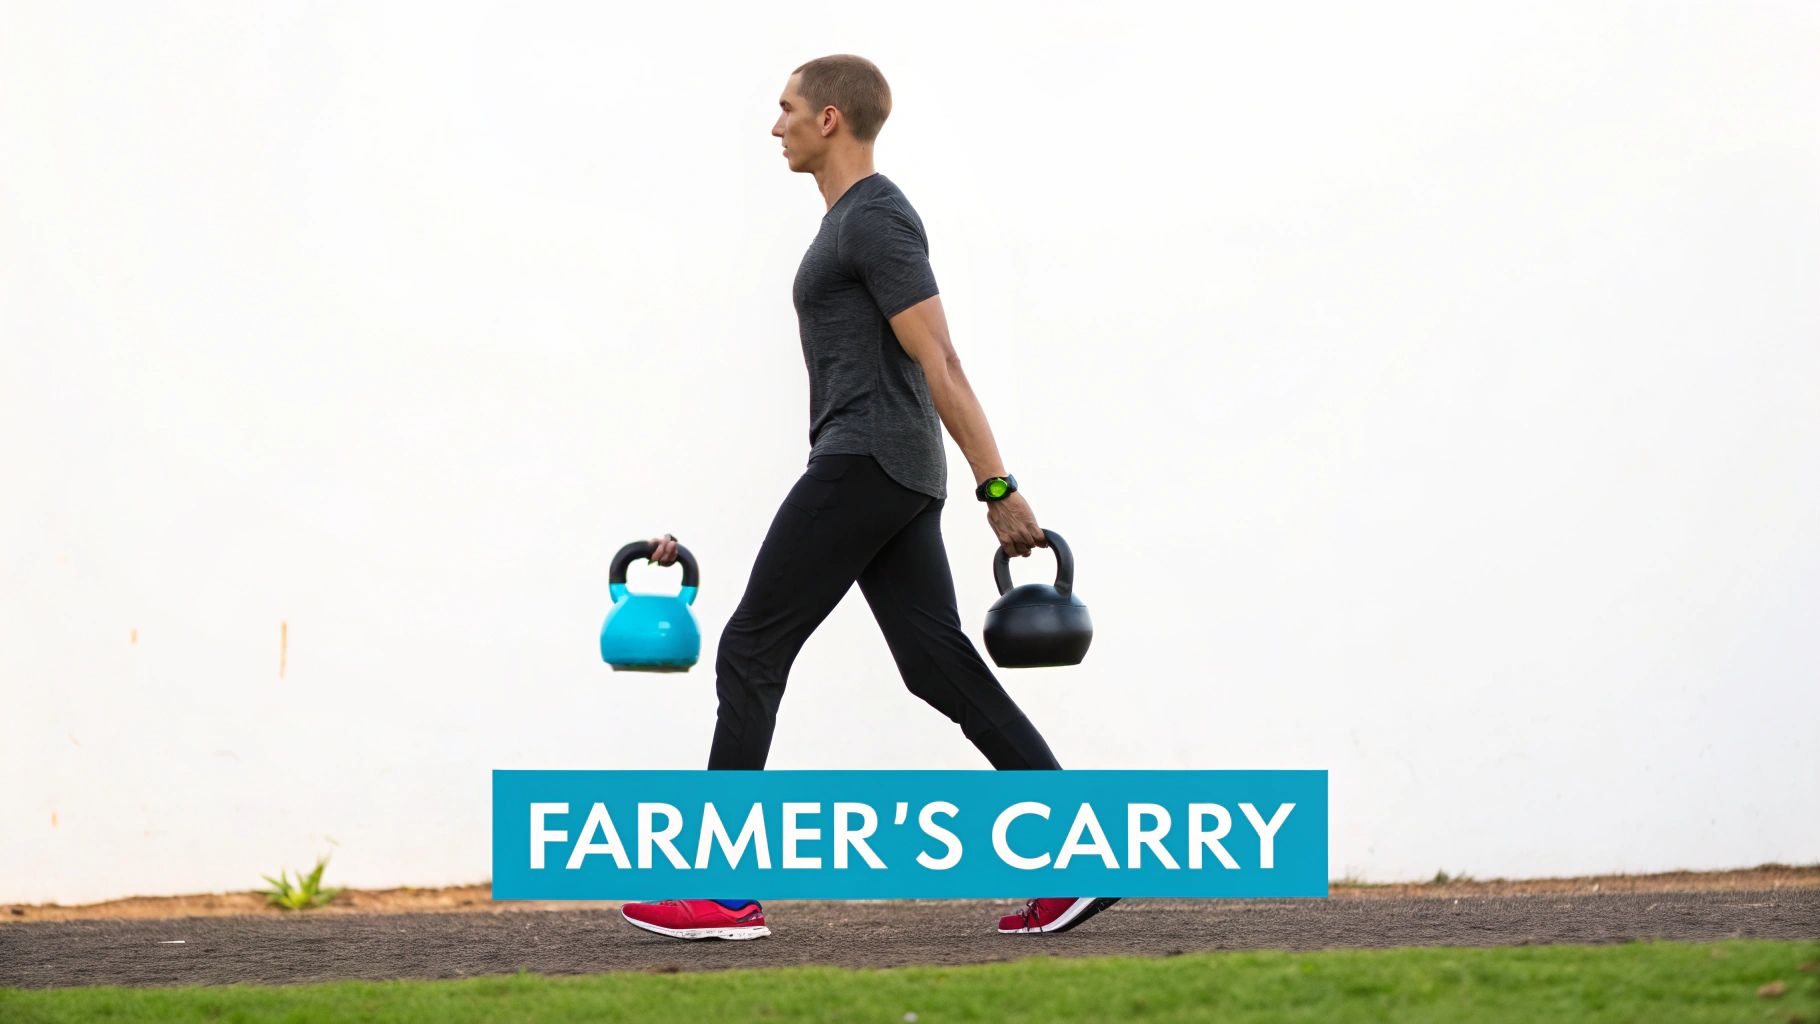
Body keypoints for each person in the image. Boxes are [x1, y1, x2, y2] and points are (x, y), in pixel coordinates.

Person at [619, 54, 1116, 942]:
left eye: (786, 111)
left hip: (867, 462)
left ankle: (718, 891)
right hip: (888, 467)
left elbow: (942, 359)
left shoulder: (875, 217)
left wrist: (998, 487)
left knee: (750, 647)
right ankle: (1081, 854)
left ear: (830, 121)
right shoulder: (846, 223)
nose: (774, 128)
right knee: (935, 665)